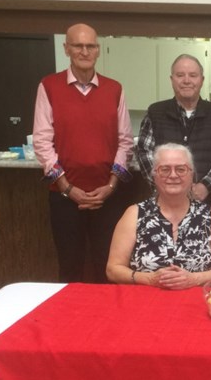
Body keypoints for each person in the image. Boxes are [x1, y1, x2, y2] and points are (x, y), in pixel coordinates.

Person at [33, 23, 135, 283]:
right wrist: (68, 188)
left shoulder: (115, 89)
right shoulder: (49, 86)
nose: (84, 51)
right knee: (70, 266)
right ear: (66, 48)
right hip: (65, 197)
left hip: (108, 197)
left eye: (90, 46)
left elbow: (125, 141)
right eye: (78, 45)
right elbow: (43, 142)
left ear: (98, 50)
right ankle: (70, 322)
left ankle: (109, 322)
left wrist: (111, 186)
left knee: (110, 267)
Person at [106, 143, 211, 288]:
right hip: (144, 303)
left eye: (181, 169)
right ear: (154, 175)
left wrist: (194, 279)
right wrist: (148, 279)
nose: (173, 175)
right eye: (165, 169)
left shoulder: (210, 215)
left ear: (192, 175)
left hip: (196, 302)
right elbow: (113, 269)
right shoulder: (134, 214)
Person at [135, 54, 211, 203]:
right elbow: (144, 153)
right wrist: (165, 186)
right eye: (180, 75)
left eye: (193, 75)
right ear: (172, 80)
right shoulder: (155, 112)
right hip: (162, 201)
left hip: (207, 201)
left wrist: (205, 186)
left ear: (202, 80)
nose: (186, 80)